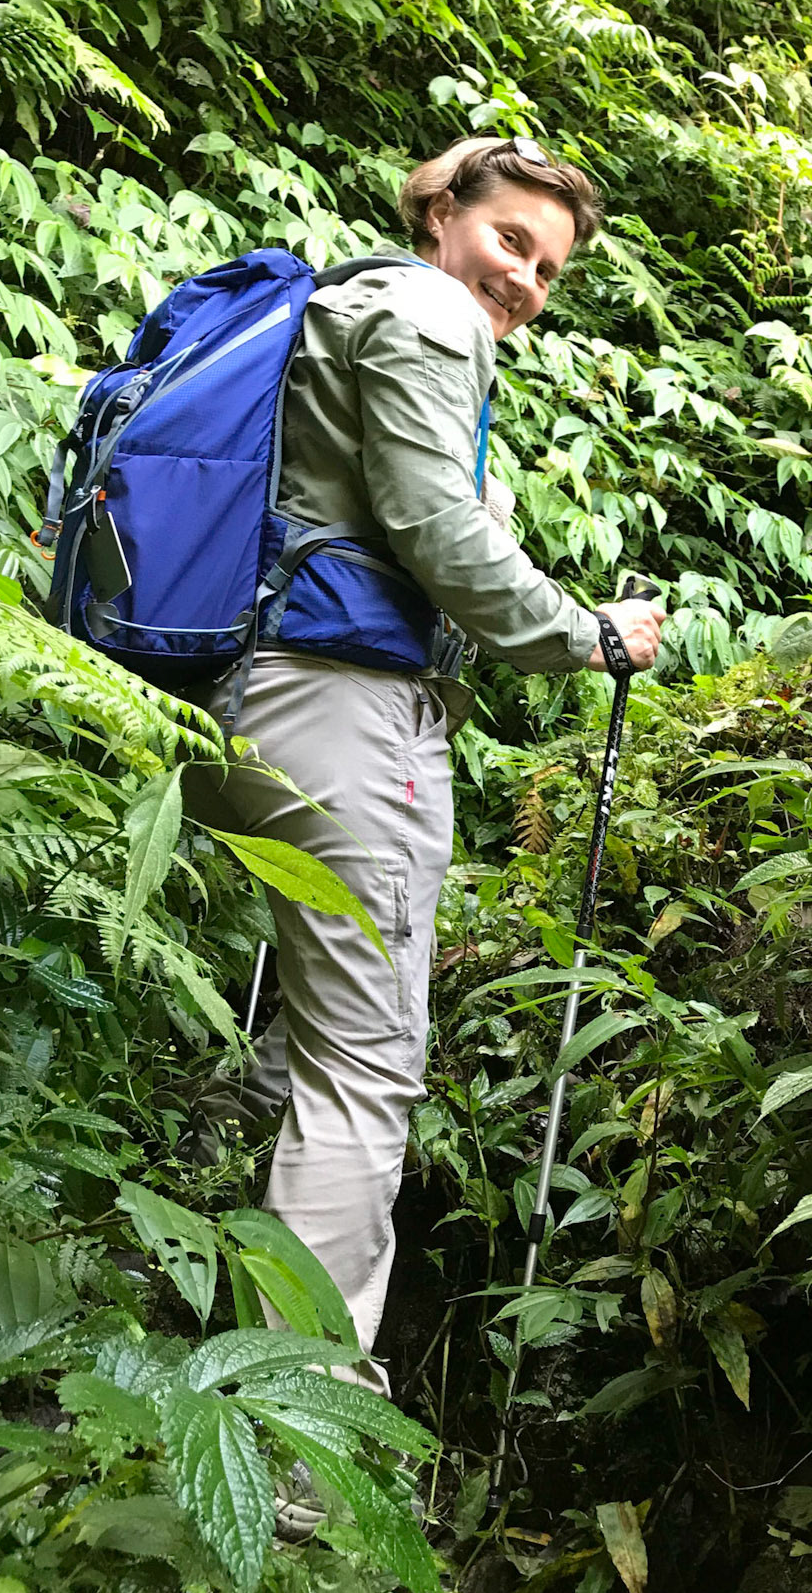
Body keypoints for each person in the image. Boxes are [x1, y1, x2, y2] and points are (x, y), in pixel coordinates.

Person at [189, 136, 665, 1423]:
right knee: (365, 1073)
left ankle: (225, 1345)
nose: (524, 280)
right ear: (444, 211)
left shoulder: (341, 308)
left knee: (313, 1047)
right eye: (512, 240)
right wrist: (589, 633)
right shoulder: (424, 311)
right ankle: (292, 1438)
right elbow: (436, 531)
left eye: (550, 268)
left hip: (260, 691)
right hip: (344, 712)